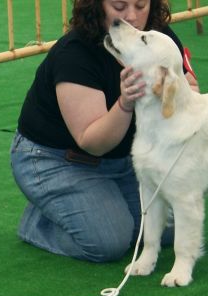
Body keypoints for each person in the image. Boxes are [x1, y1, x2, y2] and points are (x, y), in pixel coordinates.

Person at [11, 0, 199, 262]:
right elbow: (93, 142)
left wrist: (180, 94)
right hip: (58, 160)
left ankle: (98, 205)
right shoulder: (74, 55)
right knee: (108, 243)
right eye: (119, 7)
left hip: (124, 159)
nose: (132, 17)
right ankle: (39, 223)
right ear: (98, 6)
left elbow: (189, 87)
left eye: (141, 5)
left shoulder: (157, 37)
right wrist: (125, 102)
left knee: (169, 229)